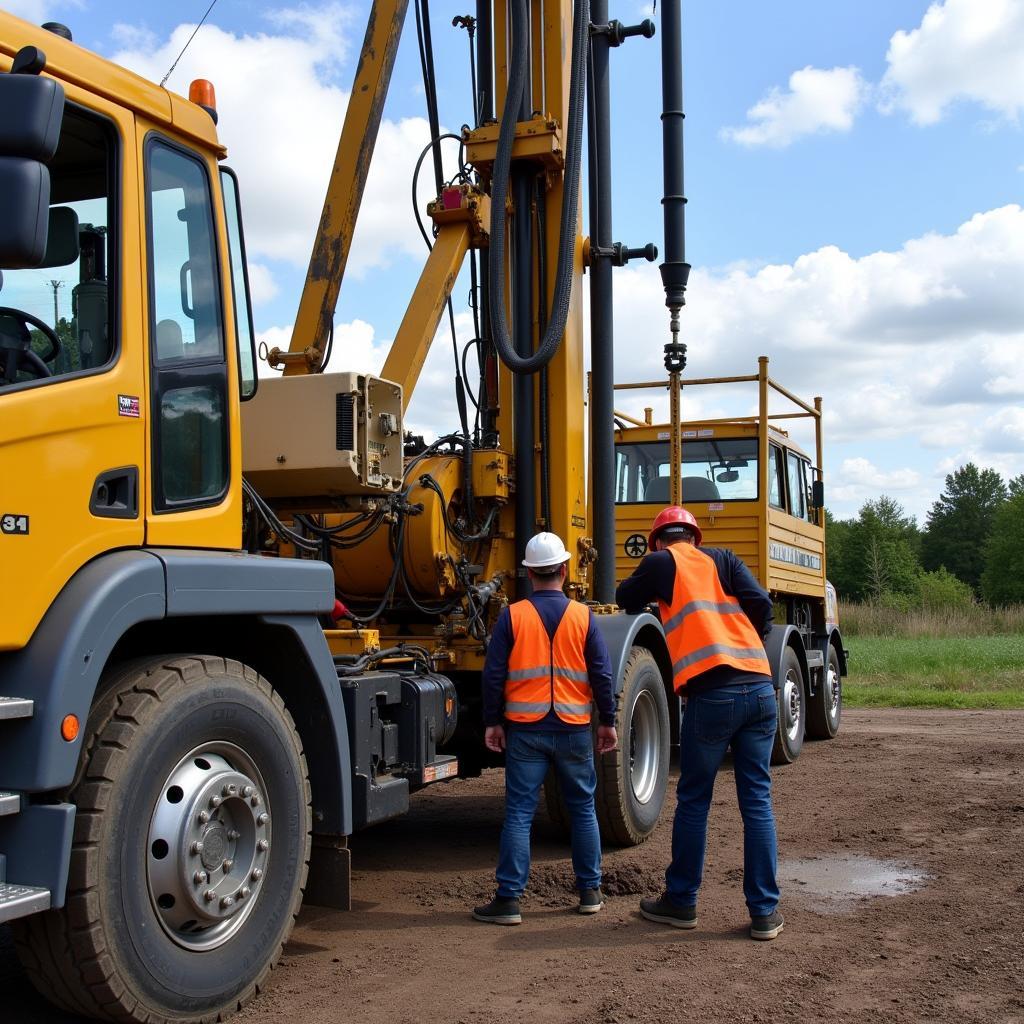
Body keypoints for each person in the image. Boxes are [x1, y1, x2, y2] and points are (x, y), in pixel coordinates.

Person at [616, 506, 784, 941]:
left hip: (713, 694)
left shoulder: (659, 562)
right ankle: (765, 912)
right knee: (758, 802)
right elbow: (762, 604)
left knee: (694, 799)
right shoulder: (724, 559)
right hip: (761, 688)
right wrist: (752, 645)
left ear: (658, 540)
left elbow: (623, 597)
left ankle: (682, 902)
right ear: (695, 537)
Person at [473, 532, 618, 925]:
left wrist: (492, 721)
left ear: (528, 572)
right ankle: (590, 891)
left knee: (519, 813)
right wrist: (608, 720)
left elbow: (493, 675)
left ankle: (509, 900)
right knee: (583, 808)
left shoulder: (512, 615)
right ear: (565, 569)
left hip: (526, 729)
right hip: (573, 728)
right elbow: (602, 675)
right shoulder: (583, 616)